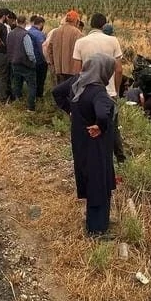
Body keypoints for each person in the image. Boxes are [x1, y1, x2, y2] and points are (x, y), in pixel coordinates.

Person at [52, 54, 116, 237]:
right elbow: (103, 114)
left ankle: (94, 222)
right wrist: (100, 126)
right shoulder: (98, 92)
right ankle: (97, 229)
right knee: (99, 181)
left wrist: (70, 110)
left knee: (89, 177)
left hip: (80, 140)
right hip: (96, 144)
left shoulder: (77, 82)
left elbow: (56, 92)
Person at [72, 13, 126, 163]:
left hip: (86, 93)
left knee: (89, 127)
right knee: (111, 127)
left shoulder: (80, 42)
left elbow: (76, 73)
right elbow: (119, 70)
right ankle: (118, 159)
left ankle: (91, 158)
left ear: (90, 24)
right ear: (104, 25)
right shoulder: (113, 41)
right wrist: (115, 90)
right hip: (108, 92)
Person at [6, 15, 37, 111]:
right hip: (25, 64)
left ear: (16, 22)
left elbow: (9, 47)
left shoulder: (10, 33)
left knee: (17, 83)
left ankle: (17, 102)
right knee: (32, 85)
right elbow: (30, 52)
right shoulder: (25, 35)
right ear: (25, 22)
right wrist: (34, 61)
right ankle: (30, 107)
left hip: (14, 63)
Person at [46, 10, 83, 83]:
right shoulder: (77, 33)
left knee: (60, 90)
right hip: (72, 70)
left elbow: (49, 50)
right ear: (76, 21)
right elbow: (81, 50)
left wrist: (53, 63)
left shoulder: (55, 32)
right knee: (70, 91)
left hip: (58, 68)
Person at [27, 16, 48, 98]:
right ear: (41, 24)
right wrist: (46, 60)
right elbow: (42, 49)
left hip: (29, 61)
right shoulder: (39, 34)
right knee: (40, 80)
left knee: (32, 80)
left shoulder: (27, 31)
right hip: (39, 62)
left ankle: (32, 95)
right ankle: (39, 96)